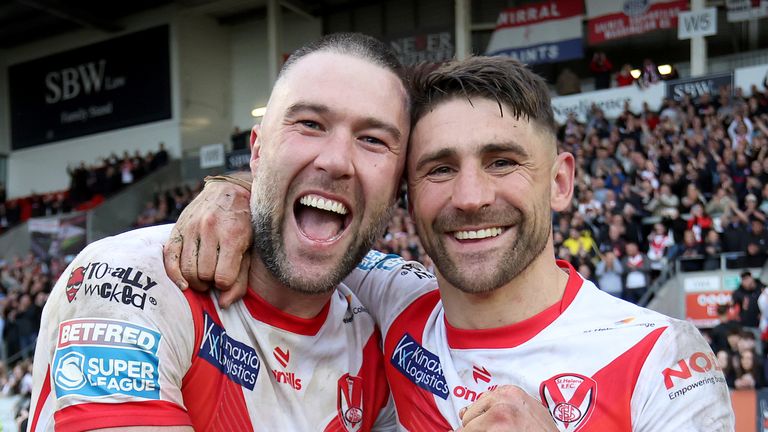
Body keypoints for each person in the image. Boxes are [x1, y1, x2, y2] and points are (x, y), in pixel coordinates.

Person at [167, 57, 734, 430]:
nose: (469, 196)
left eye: (502, 161)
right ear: (406, 195)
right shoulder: (394, 300)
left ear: (560, 181)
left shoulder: (663, 358)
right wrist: (233, 192)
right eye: (439, 170)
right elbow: (304, 199)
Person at [29, 33, 414, 431]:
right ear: (257, 151)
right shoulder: (132, 278)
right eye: (310, 124)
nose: (336, 162)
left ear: (399, 185)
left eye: (372, 139)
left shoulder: (378, 336)